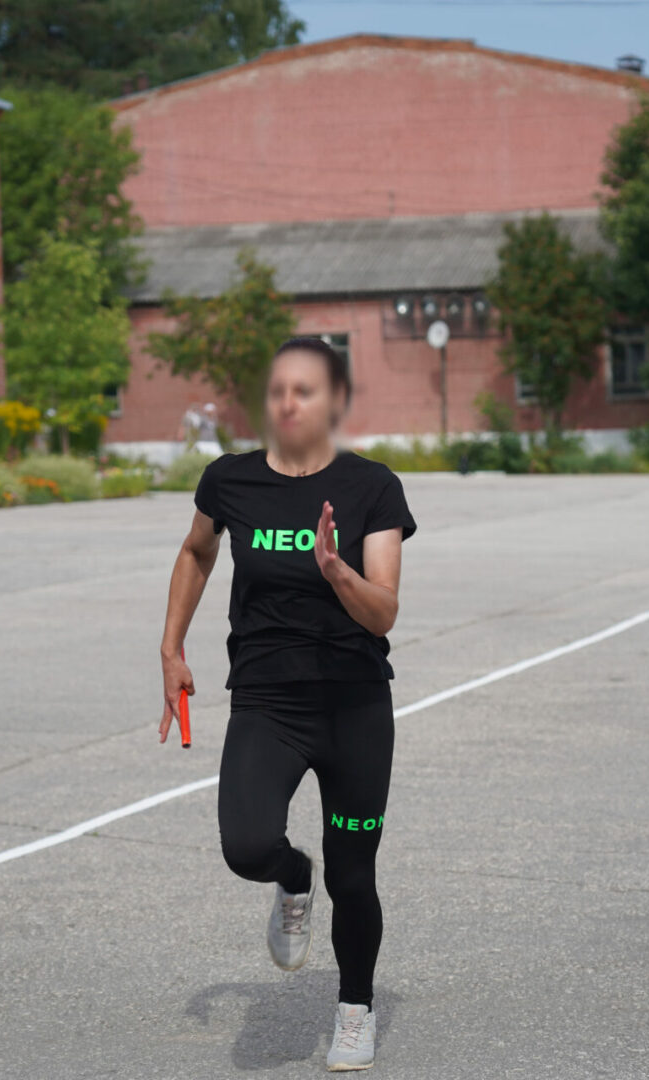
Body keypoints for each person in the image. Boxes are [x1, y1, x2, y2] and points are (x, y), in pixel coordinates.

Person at [158, 337, 416, 1072]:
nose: (288, 403)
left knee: (356, 873)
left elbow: (384, 612)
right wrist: (172, 647)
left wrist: (336, 570)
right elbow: (197, 551)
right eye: (277, 390)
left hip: (355, 706)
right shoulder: (230, 481)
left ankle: (355, 1011)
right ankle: (291, 877)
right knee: (245, 845)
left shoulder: (374, 488)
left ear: (335, 400)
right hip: (267, 701)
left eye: (304, 390)